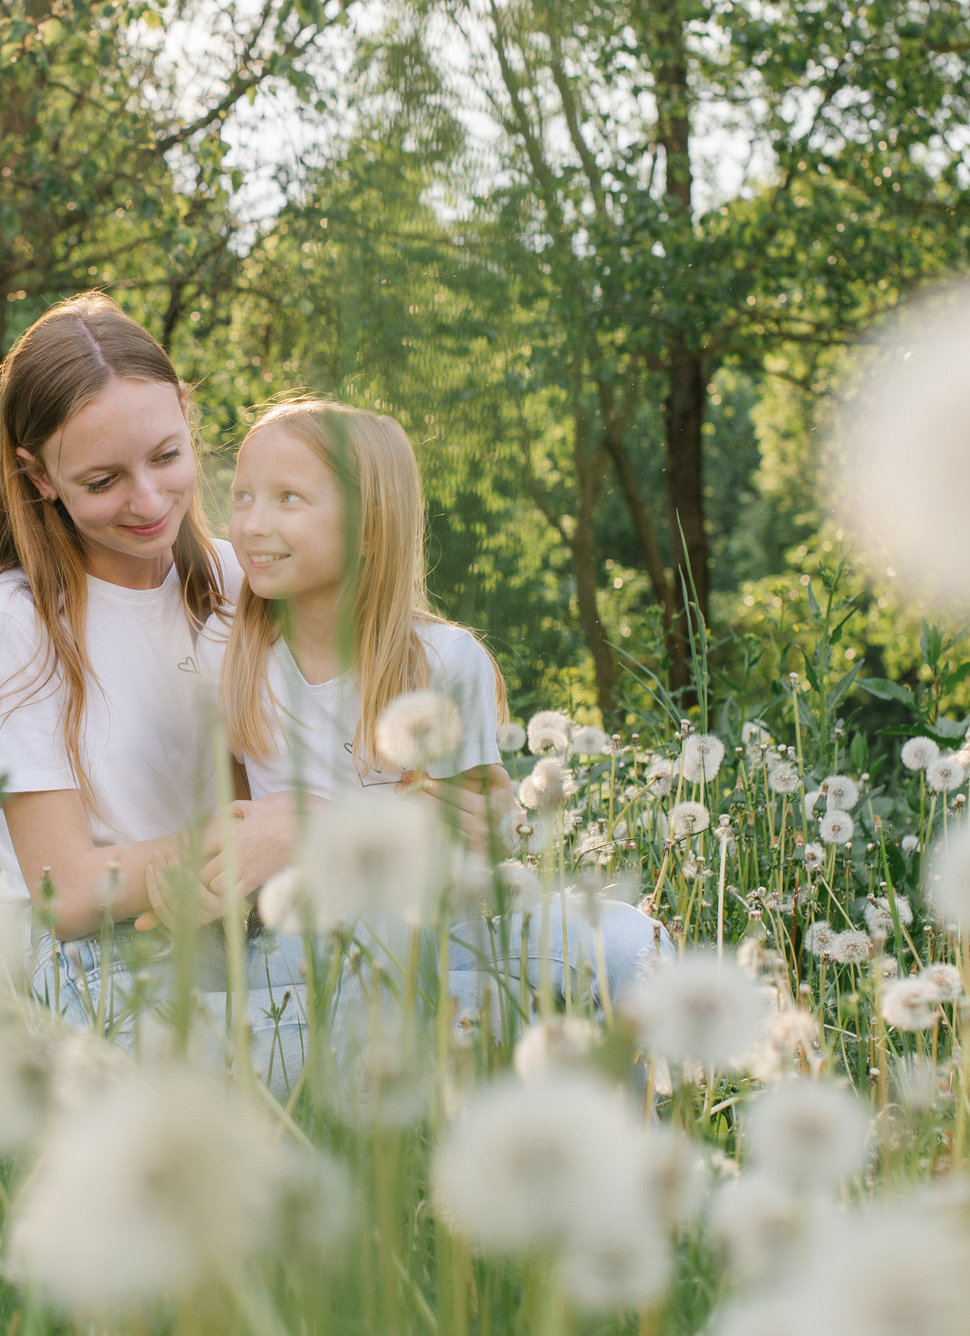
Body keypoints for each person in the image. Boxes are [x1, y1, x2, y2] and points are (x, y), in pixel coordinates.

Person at [194, 395, 663, 1014]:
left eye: (289, 499)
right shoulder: (230, 651)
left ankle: (470, 1025)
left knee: (631, 942)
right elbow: (236, 825)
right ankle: (480, 1024)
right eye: (244, 496)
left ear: (370, 526)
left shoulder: (444, 663)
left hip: (434, 930)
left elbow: (468, 836)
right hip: (296, 943)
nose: (250, 524)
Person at [0, 294, 237, 997]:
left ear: (186, 417)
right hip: (99, 969)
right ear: (39, 477)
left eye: (167, 455)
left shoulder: (238, 580)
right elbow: (65, 892)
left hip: (238, 933)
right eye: (102, 482)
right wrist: (259, 842)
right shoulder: (23, 619)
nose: (149, 501)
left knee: (532, 952)